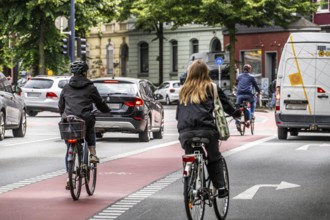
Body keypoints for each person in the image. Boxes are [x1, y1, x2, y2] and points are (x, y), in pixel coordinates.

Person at [176, 60, 240, 198]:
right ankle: (221, 187)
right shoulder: (212, 87)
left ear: (190, 73)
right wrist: (237, 113)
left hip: (185, 132)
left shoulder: (183, 90)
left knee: (190, 156)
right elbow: (227, 106)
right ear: (206, 73)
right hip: (207, 131)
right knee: (214, 158)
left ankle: (189, 187)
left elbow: (178, 115)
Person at [58, 61, 111, 184]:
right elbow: (99, 103)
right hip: (85, 118)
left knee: (69, 148)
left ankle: (69, 177)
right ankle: (92, 153)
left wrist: (63, 115)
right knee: (90, 128)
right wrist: (106, 110)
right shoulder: (90, 87)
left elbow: (61, 104)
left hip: (69, 120)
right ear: (84, 73)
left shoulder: (66, 87)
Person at [235, 64, 260, 128]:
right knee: (252, 102)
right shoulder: (251, 77)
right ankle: (251, 114)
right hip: (249, 94)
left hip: (239, 95)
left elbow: (236, 84)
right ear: (249, 70)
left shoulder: (239, 76)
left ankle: (237, 122)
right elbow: (256, 86)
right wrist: (258, 92)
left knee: (238, 107)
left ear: (244, 69)